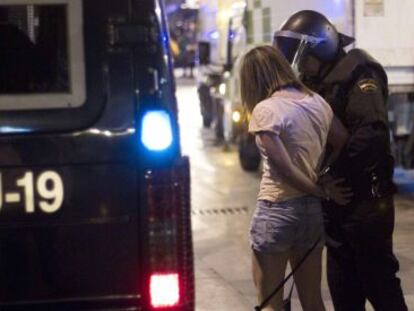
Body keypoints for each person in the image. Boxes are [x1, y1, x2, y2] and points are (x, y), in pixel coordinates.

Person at [273, 10, 408, 311]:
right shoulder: (316, 80)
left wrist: (330, 174)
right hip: (335, 208)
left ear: (320, 48)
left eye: (303, 58)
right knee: (343, 289)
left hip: (366, 205)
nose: (301, 68)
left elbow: (370, 137)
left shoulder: (358, 73)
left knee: (380, 284)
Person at [240, 45, 350, 311]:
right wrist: (321, 176)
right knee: (313, 301)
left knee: (270, 304)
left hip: (276, 211)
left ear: (253, 79)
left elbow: (284, 169)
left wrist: (319, 189)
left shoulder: (266, 110)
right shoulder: (316, 101)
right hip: (311, 214)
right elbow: (342, 139)